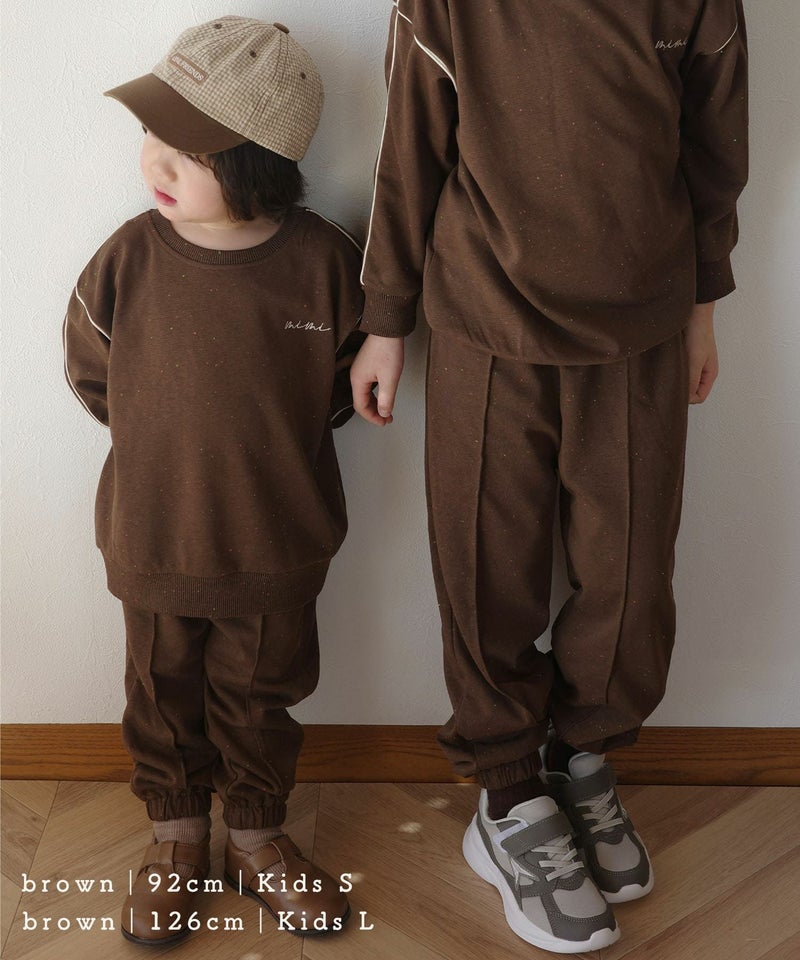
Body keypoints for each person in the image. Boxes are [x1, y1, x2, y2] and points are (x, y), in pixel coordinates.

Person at [351, 0, 747, 953]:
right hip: (487, 323)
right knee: (488, 569)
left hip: (641, 329)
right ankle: (508, 797)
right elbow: (408, 156)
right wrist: (385, 322)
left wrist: (704, 307)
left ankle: (583, 762)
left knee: (631, 574)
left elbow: (715, 150)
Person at [63, 17, 363, 946]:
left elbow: (346, 388)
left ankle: (258, 837)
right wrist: (167, 445)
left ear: (257, 167)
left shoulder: (322, 264)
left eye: (187, 151)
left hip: (277, 544)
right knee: (160, 694)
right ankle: (177, 837)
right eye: (151, 133)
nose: (154, 160)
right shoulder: (129, 258)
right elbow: (92, 373)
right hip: (155, 537)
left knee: (261, 696)